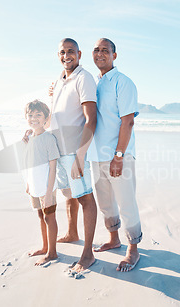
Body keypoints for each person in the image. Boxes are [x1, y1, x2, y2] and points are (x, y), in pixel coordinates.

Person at [42, 38, 98, 274]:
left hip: (75, 150)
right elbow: (55, 116)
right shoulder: (59, 80)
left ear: (79, 53)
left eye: (71, 52)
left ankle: (88, 253)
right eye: (62, 52)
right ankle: (72, 232)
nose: (67, 56)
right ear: (58, 55)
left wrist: (80, 155)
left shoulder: (84, 78)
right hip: (57, 149)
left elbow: (91, 119)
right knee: (69, 194)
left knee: (85, 197)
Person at [88, 38, 143, 272]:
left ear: (114, 55)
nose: (100, 54)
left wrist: (118, 156)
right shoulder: (94, 84)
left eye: (105, 50)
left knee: (126, 202)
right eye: (97, 50)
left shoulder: (123, 82)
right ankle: (114, 238)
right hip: (96, 155)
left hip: (119, 155)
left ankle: (133, 249)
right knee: (105, 202)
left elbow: (128, 121)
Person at [22, 100, 60, 266]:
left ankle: (52, 253)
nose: (34, 118)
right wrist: (29, 185)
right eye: (30, 115)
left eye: (38, 115)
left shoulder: (48, 138)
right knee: (40, 215)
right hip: (35, 186)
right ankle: (45, 247)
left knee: (49, 217)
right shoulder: (31, 137)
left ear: (46, 118)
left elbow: (53, 167)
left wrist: (48, 191)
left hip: (47, 187)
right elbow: (30, 163)